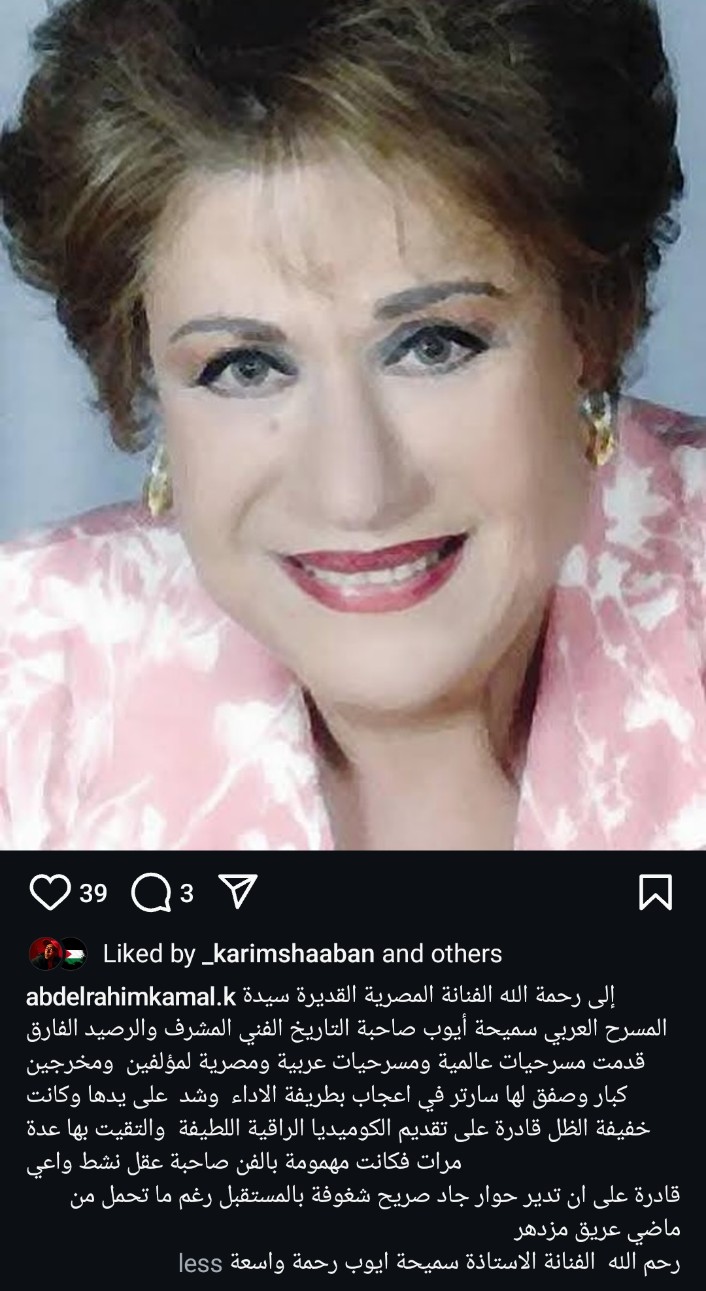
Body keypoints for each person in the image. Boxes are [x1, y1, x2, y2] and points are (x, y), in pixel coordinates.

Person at [0, 0, 704, 852]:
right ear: (144, 372)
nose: (356, 491)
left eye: (433, 345)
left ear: (593, 326)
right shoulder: (30, 676)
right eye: (245, 366)